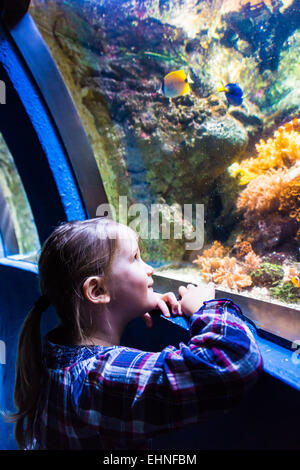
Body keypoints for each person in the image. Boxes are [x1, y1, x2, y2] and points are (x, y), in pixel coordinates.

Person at [8, 217, 263, 450]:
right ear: (97, 291)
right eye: (135, 258)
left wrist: (130, 304)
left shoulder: (54, 355)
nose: (150, 269)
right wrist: (204, 308)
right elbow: (232, 360)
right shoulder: (98, 380)